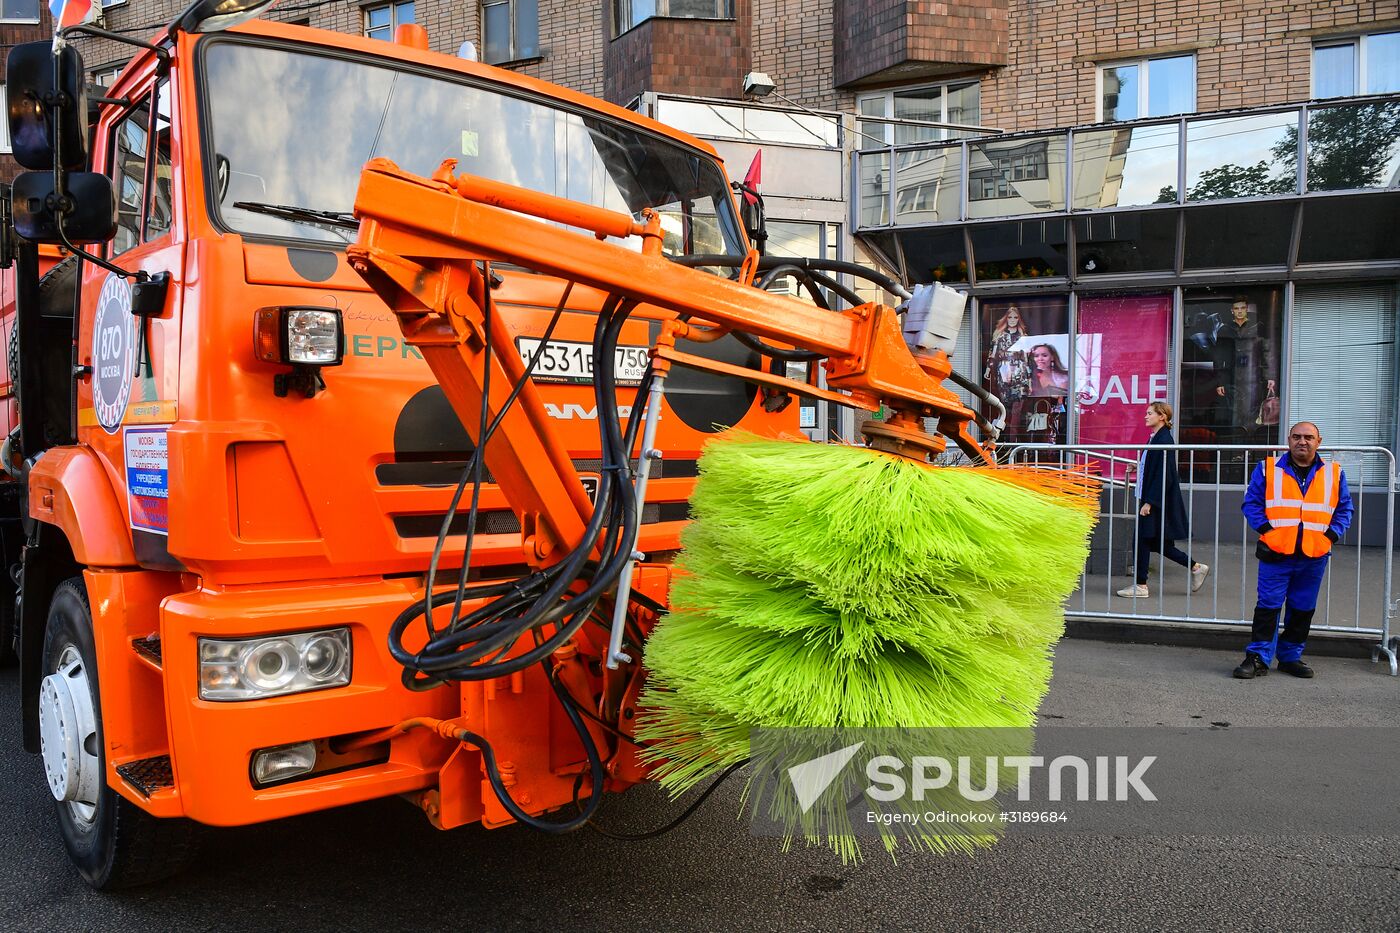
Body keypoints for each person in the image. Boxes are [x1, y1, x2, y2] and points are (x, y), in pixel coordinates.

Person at [1233, 421, 1353, 679]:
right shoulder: (1268, 469)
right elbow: (1251, 503)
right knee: (1268, 606)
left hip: (1314, 553)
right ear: (1288, 440)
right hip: (1276, 551)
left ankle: (1290, 657)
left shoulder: (1333, 472)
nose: (1302, 441)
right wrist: (1268, 531)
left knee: (1302, 608)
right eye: (1297, 436)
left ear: (1318, 441)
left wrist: (1329, 537)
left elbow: (1344, 509)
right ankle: (1257, 657)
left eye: (1308, 437)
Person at [1117, 402, 1209, 598]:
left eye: (1149, 413)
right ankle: (1196, 567)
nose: (1145, 416)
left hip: (1155, 501)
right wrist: (1138, 467)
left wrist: (1149, 502)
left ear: (1162, 417)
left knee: (1142, 539)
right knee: (1158, 544)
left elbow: (1163, 475)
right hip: (1155, 499)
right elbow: (1156, 467)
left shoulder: (1163, 440)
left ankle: (1141, 586)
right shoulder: (1158, 438)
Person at [1212, 297, 1277, 438]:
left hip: (1253, 376)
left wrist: (1269, 376)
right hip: (1232, 377)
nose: (1240, 311)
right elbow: (1219, 357)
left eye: (1242, 308)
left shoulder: (1257, 327)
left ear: (1246, 309)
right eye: (1237, 308)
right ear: (1232, 311)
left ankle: (1251, 448)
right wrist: (1220, 381)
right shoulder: (1225, 329)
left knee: (1253, 412)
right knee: (1235, 413)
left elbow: (1267, 352)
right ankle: (1237, 449)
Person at [983, 306, 1031, 404]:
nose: (1012, 320)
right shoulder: (1000, 336)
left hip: (1019, 372)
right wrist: (988, 369)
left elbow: (1026, 359)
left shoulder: (1023, 337)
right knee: (1004, 402)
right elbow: (993, 354)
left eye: (1015, 317)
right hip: (1004, 370)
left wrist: (1029, 378)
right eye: (1010, 317)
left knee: (1018, 403)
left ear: (1019, 319)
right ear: (1006, 318)